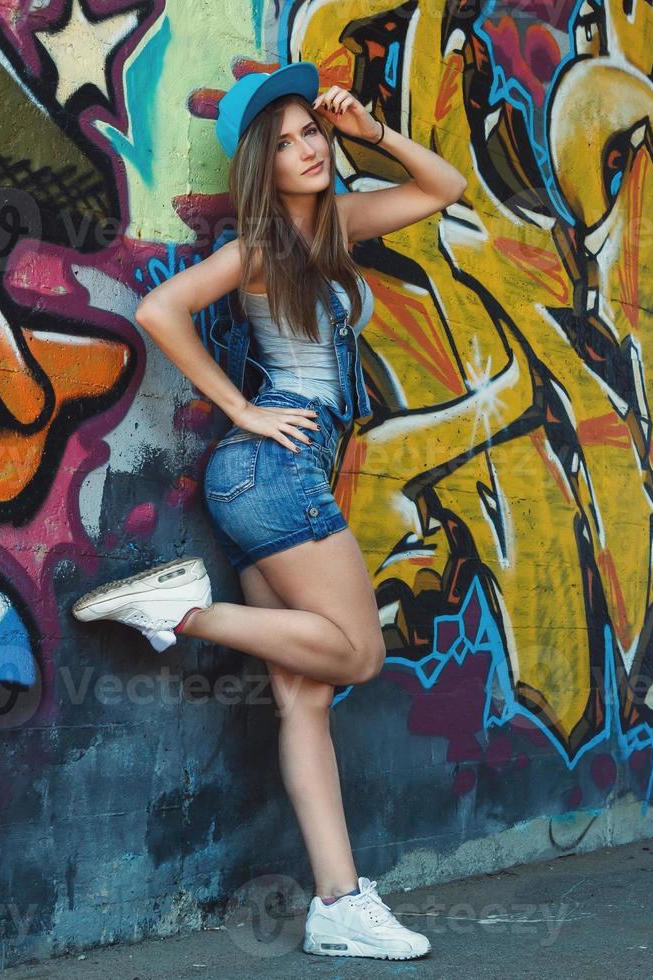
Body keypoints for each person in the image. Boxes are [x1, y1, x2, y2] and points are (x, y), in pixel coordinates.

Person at [70, 60, 466, 960]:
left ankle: (337, 902)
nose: (307, 149)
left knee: (304, 696)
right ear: (262, 164)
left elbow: (443, 185)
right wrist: (244, 407)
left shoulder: (334, 229)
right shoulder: (261, 248)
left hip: (265, 484)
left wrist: (371, 130)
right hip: (273, 473)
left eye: (311, 132)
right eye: (283, 143)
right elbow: (162, 308)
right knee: (360, 652)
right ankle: (184, 612)